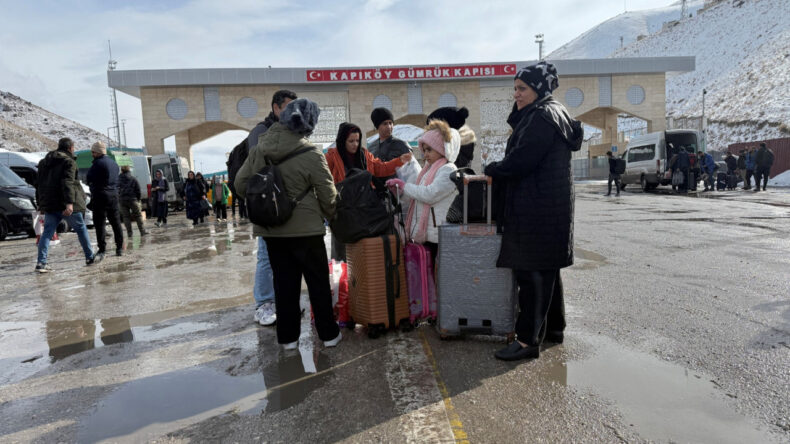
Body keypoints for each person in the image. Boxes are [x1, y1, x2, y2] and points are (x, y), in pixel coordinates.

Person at [483, 61, 583, 361]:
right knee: (548, 268)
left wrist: (493, 169)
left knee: (532, 273)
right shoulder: (554, 112)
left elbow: (521, 161)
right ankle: (554, 329)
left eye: (522, 88)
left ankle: (527, 341)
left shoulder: (541, 116)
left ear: (538, 89)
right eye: (515, 88)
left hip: (536, 208)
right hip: (548, 206)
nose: (516, 94)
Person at [235, 98, 341, 349]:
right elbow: (328, 195)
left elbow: (240, 185)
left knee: (284, 287)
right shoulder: (311, 153)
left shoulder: (260, 148)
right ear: (308, 124)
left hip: (273, 232)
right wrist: (330, 214)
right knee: (317, 285)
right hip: (307, 232)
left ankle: (288, 340)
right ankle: (328, 336)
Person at [237, 91, 296, 326]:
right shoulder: (261, 132)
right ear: (276, 108)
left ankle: (281, 301)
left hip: (285, 203)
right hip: (266, 203)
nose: (293, 112)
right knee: (265, 255)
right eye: (288, 107)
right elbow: (258, 168)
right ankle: (263, 304)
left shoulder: (291, 131)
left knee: (286, 256)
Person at [325, 122, 411, 260]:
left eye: (357, 140)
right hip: (344, 210)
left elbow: (381, 168)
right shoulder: (331, 157)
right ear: (342, 141)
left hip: (364, 209)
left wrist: (399, 161)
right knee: (343, 246)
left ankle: (363, 270)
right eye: (351, 141)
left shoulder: (364, 154)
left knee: (364, 245)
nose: (355, 144)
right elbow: (323, 179)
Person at [386, 119, 459, 262]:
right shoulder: (427, 170)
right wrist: (398, 192)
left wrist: (404, 186)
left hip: (438, 234)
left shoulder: (448, 170)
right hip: (428, 234)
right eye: (424, 150)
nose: (425, 154)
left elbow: (429, 194)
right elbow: (417, 196)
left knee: (437, 272)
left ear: (440, 148)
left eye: (429, 150)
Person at [34, 138, 102, 272]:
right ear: (70, 148)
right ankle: (89, 257)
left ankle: (41, 263)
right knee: (81, 229)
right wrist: (69, 203)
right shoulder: (69, 162)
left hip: (50, 204)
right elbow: (67, 182)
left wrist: (40, 203)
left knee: (47, 232)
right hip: (66, 204)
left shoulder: (44, 162)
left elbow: (39, 184)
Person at [86, 141, 124, 257]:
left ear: (98, 152)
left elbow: (89, 178)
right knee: (116, 222)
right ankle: (119, 248)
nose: (92, 154)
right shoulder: (114, 164)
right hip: (113, 195)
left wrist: (93, 187)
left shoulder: (97, 164)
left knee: (100, 223)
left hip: (100, 195)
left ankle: (102, 249)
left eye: (93, 152)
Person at [118, 165, 148, 237]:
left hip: (122, 200)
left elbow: (116, 190)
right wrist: (138, 199)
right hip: (133, 199)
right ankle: (142, 231)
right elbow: (138, 190)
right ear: (129, 170)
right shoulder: (133, 179)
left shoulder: (118, 180)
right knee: (138, 215)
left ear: (121, 171)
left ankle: (129, 233)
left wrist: (119, 197)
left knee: (126, 217)